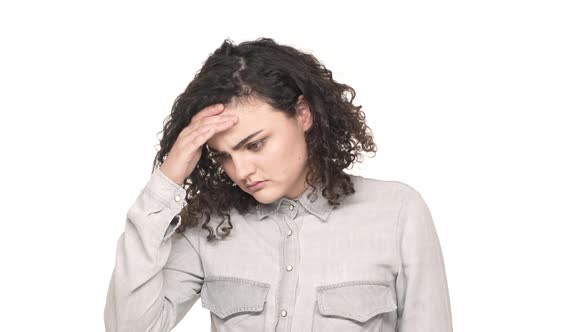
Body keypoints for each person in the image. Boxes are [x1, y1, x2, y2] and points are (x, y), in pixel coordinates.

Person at [103, 37, 453, 332]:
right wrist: (167, 179)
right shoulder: (209, 228)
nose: (240, 170)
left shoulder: (397, 212)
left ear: (303, 115)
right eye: (223, 155)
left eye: (254, 144)